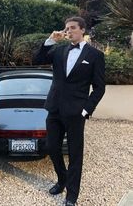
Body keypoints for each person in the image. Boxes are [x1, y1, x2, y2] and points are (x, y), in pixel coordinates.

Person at [32, 16, 105, 206]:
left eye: (72, 27)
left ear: (82, 30)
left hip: (76, 112)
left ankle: (72, 195)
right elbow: (37, 60)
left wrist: (86, 110)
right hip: (54, 108)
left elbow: (99, 87)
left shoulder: (95, 55)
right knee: (51, 147)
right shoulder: (59, 50)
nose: (68, 31)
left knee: (75, 154)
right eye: (66, 28)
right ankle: (62, 179)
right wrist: (50, 41)